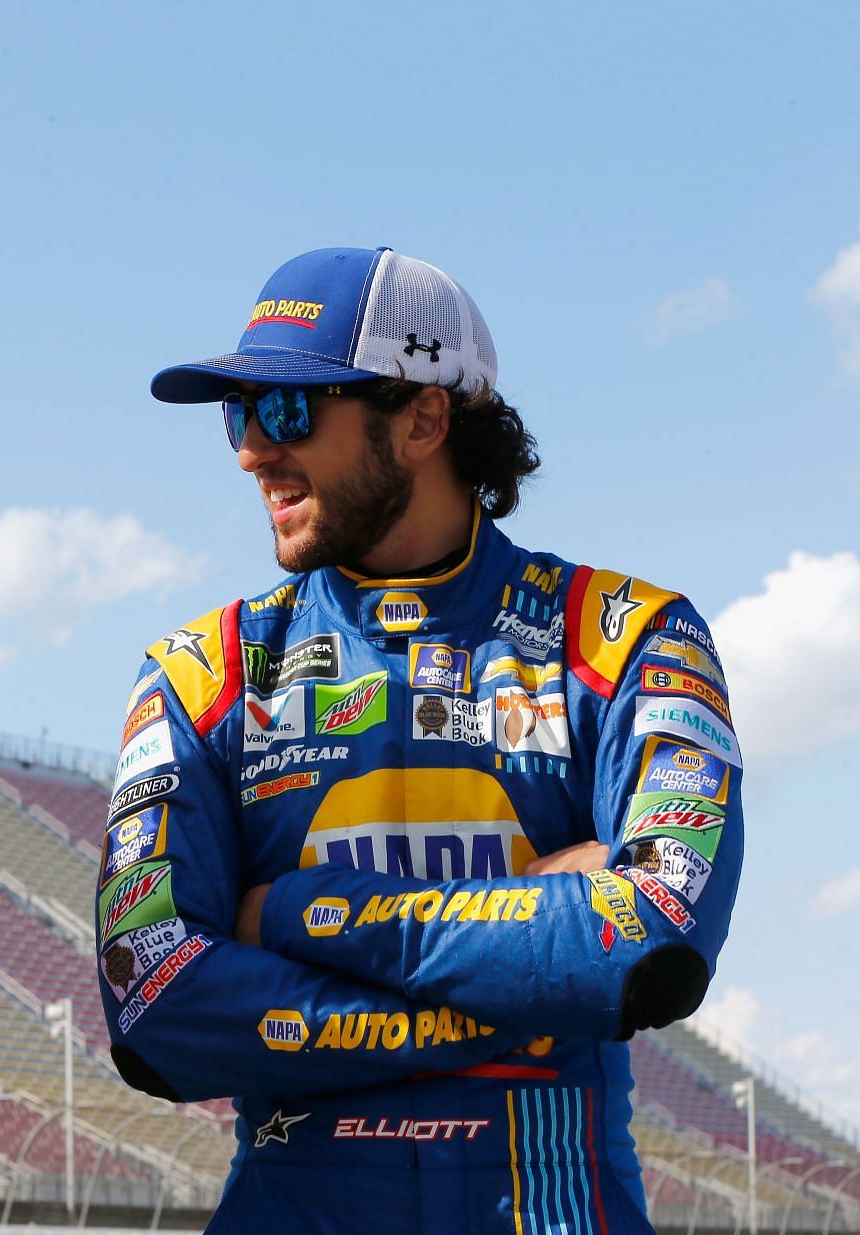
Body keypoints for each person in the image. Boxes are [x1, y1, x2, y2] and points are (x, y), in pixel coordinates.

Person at [97, 246, 741, 1233]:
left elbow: (648, 941)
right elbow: (154, 1007)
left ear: (424, 417)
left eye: (286, 411)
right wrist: (534, 966)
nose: (249, 452)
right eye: (239, 414)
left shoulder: (630, 636)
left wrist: (303, 915)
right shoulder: (200, 669)